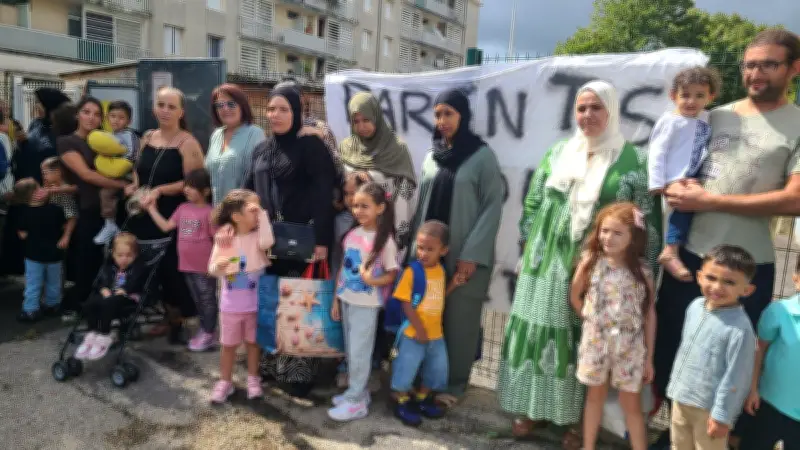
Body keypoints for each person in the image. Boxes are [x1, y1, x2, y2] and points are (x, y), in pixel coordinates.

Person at [653, 29, 800, 448]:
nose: (755, 72)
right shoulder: (713, 114)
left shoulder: (797, 124)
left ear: (794, 68)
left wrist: (711, 199)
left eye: (769, 64)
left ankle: (722, 438)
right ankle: (677, 430)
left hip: (746, 264)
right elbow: (673, 164)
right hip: (691, 258)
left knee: (729, 362)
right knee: (675, 350)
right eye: (750, 64)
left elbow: (795, 198)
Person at [497, 81, 661, 448]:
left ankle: (574, 422)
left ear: (612, 111)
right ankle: (533, 408)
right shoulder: (559, 151)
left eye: (596, 108)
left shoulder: (632, 160)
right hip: (544, 262)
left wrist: (641, 273)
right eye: (582, 108)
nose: (587, 115)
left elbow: (645, 221)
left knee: (580, 338)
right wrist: (528, 249)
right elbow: (535, 199)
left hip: (596, 265)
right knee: (538, 333)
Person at [406, 88, 504, 409]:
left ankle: (455, 384)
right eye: (437, 114)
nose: (442, 120)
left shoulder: (482, 156)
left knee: (459, 320)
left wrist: (472, 255)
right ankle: (425, 378)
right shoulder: (431, 156)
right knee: (427, 313)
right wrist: (414, 252)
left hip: (464, 255)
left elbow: (492, 207)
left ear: (462, 116)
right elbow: (421, 206)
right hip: (429, 257)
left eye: (449, 113)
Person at [241, 83, 336, 398]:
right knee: (270, 302)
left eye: (284, 109)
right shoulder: (261, 149)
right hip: (267, 243)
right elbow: (248, 190)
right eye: (271, 109)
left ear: (296, 113)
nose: (276, 115)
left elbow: (324, 195)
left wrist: (322, 241)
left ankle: (297, 375)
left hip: (301, 242)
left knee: (297, 304)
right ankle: (270, 366)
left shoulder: (310, 147)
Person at [570, 203, 656, 450]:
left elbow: (649, 313)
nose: (608, 237)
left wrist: (649, 356)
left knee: (632, 404)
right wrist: (591, 321)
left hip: (630, 346)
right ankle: (588, 446)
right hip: (596, 343)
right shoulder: (590, 262)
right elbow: (576, 296)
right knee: (594, 397)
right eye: (605, 230)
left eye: (618, 233)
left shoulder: (643, 271)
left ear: (633, 237)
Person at [124, 87, 205, 344]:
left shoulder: (187, 142)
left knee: (171, 270)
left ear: (181, 112)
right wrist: (134, 185)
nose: (165, 111)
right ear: (153, 108)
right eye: (161, 105)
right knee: (146, 268)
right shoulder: (147, 137)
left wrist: (160, 190)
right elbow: (139, 170)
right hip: (143, 211)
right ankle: (158, 316)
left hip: (171, 214)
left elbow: (193, 182)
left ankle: (178, 322)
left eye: (171, 107)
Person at [667, 245, 757, 450]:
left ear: (747, 290)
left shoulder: (740, 329)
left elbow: (737, 377)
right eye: (711, 278)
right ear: (699, 277)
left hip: (709, 410)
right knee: (679, 445)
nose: (717, 287)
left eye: (729, 282)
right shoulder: (695, 307)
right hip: (681, 397)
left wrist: (722, 416)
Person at [328, 182, 399, 421]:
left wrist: (372, 279)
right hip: (347, 299)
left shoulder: (385, 240)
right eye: (355, 205)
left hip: (366, 305)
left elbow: (392, 273)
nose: (358, 210)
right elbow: (344, 269)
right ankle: (356, 392)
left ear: (380, 208)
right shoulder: (352, 235)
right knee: (351, 349)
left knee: (359, 352)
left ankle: (356, 400)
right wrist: (337, 298)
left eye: (365, 206)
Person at [648, 67, 720, 282]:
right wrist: (657, 182)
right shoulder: (671, 121)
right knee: (680, 213)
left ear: (710, 97)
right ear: (673, 96)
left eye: (699, 96)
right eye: (685, 95)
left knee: (690, 213)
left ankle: (677, 249)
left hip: (692, 176)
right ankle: (670, 250)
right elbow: (657, 151)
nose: (691, 101)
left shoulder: (705, 119)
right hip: (674, 178)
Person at [58, 97, 128, 317]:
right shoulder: (67, 142)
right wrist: (123, 185)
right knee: (88, 259)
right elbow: (86, 175)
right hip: (89, 208)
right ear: (77, 114)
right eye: (87, 112)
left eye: (97, 114)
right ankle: (83, 305)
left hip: (115, 207)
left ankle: (109, 302)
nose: (91, 117)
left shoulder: (105, 140)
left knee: (115, 260)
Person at [207, 189, 274, 403]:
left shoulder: (257, 238)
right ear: (236, 217)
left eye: (258, 209)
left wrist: (263, 215)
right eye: (252, 210)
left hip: (255, 306)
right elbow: (212, 269)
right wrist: (219, 265)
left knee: (254, 344)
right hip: (230, 307)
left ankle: (253, 379)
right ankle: (225, 381)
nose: (257, 212)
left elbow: (266, 243)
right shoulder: (224, 239)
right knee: (228, 346)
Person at [390, 220, 454, 427]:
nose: (423, 253)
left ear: (443, 250)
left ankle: (422, 398)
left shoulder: (441, 271)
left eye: (430, 249)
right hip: (413, 334)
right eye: (420, 247)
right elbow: (405, 303)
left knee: (437, 369)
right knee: (406, 368)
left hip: (436, 334)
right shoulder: (412, 271)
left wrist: (454, 285)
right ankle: (401, 399)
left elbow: (437, 296)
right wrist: (418, 329)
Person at [146, 168, 217, 352]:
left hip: (204, 266)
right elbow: (166, 226)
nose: (187, 190)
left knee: (207, 298)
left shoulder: (210, 212)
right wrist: (151, 209)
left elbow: (217, 240)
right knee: (196, 298)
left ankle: (209, 331)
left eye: (192, 187)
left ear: (206, 191)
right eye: (186, 186)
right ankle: (204, 329)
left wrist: (215, 264)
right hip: (186, 264)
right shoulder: (182, 208)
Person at [339, 92, 417, 252]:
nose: (361, 127)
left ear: (377, 117)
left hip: (384, 230)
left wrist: (398, 236)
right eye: (356, 121)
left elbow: (405, 197)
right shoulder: (346, 147)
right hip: (349, 229)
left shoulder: (396, 149)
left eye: (366, 120)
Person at [740, 259, 800, 450]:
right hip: (769, 403)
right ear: (796, 279)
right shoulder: (779, 312)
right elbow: (759, 349)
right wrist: (752, 389)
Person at [74, 232, 145, 361]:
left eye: (129, 255)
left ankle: (105, 335)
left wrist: (125, 289)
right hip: (110, 295)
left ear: (135, 255)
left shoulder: (137, 268)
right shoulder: (109, 267)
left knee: (108, 303)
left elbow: (137, 281)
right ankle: (92, 333)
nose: (124, 259)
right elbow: (99, 281)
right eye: (120, 255)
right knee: (91, 302)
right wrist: (103, 288)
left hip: (128, 297)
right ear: (113, 255)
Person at [14, 175, 76, 321]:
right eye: (39, 188)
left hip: (33, 255)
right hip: (55, 253)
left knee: (33, 282)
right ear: (35, 194)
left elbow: (22, 234)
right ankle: (52, 305)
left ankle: (30, 309)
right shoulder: (55, 209)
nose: (44, 189)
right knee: (54, 281)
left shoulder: (22, 213)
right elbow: (64, 225)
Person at [205, 83, 265, 206]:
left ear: (242, 106)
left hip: (243, 215)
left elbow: (259, 178)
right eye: (220, 105)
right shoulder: (216, 135)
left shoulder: (255, 134)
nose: (225, 108)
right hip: (217, 213)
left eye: (231, 104)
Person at [93, 100, 139, 244]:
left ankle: (110, 225)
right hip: (115, 173)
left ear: (129, 121)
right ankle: (114, 230)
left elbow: (131, 155)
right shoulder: (110, 135)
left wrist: (116, 163)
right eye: (113, 116)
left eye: (121, 117)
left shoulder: (128, 135)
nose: (116, 120)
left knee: (106, 193)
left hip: (126, 175)